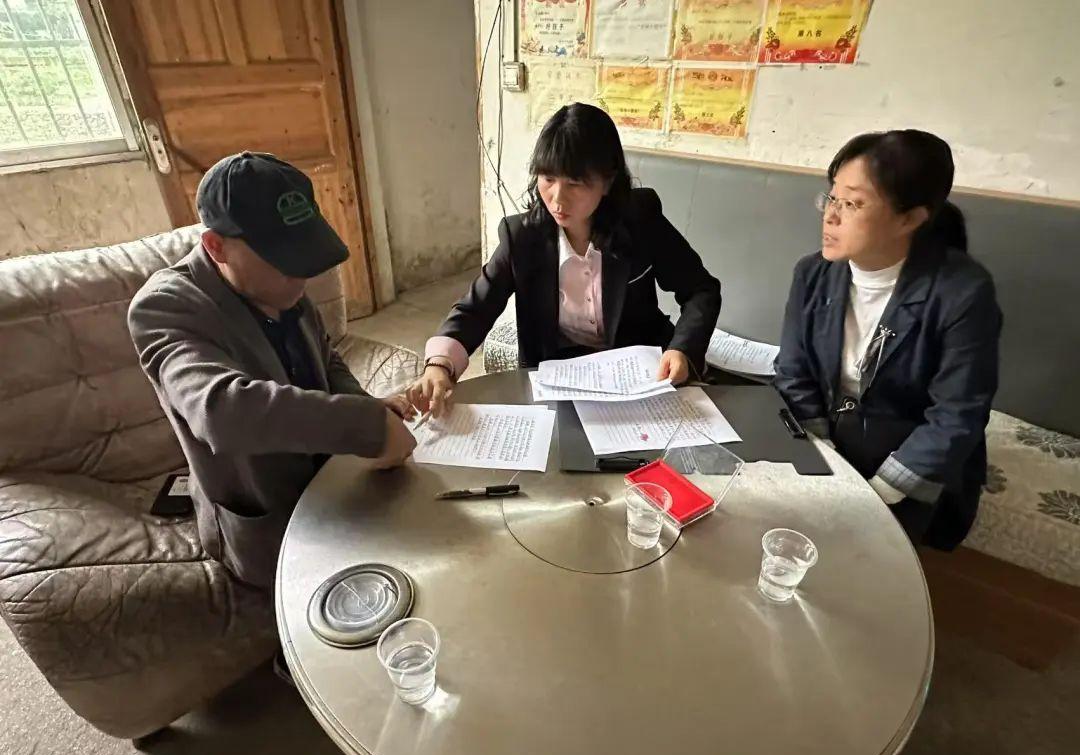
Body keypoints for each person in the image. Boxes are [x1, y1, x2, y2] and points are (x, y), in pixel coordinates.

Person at [129, 152, 416, 590]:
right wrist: (365, 426)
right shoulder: (164, 308)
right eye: (281, 258)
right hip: (269, 526)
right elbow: (221, 412)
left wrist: (366, 406)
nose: (300, 274)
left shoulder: (278, 284)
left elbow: (325, 357)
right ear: (216, 246)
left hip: (337, 486)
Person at [407, 103, 722, 416]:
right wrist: (439, 365)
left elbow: (701, 290)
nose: (557, 198)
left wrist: (682, 349)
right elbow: (476, 308)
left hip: (640, 376)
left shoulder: (640, 220)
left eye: (575, 183)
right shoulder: (522, 238)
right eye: (547, 178)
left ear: (607, 182)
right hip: (559, 378)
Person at [774, 130, 1002, 549]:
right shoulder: (812, 273)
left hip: (908, 463)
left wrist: (875, 495)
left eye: (852, 204)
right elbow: (793, 370)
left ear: (909, 219)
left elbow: (956, 414)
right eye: (831, 197)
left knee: (856, 558)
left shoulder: (962, 293)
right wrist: (823, 457)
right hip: (829, 441)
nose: (831, 216)